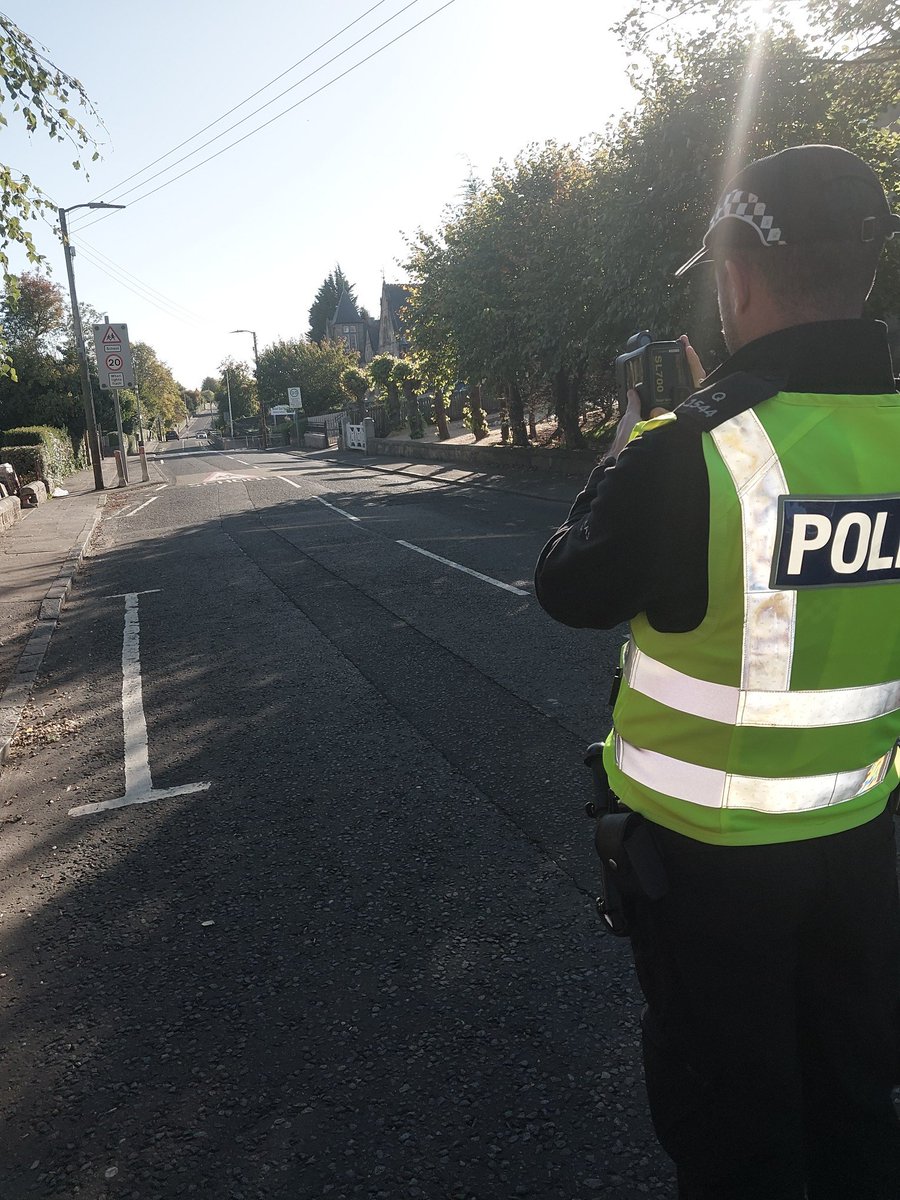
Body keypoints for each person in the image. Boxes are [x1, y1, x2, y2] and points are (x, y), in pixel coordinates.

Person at [534, 144, 900, 1199]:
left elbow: (568, 588)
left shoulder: (684, 449)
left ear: (734, 278)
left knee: (739, 1136)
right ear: (864, 272)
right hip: (862, 850)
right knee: (857, 1106)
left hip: (710, 875)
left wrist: (633, 447)